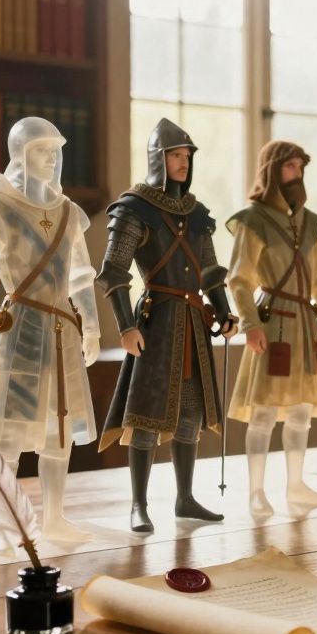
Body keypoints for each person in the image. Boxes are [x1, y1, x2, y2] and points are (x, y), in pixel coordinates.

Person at [0, 117, 100, 548]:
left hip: (64, 333)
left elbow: (80, 276)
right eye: (40, 149)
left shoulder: (69, 213)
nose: (50, 156)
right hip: (22, 332)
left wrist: (91, 327)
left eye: (55, 149)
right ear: (20, 153)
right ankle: (8, 523)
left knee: (59, 429)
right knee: (11, 432)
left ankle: (54, 518)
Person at [97, 118, 238, 533]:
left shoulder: (197, 214)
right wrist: (125, 326)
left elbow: (210, 272)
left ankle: (185, 498)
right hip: (156, 321)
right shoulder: (134, 209)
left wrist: (225, 311)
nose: (182, 162)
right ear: (159, 159)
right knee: (146, 415)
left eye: (187, 156)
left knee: (191, 411)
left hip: (194, 322)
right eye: (175, 155)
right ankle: (138, 505)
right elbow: (113, 273)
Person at [225, 140, 317, 517]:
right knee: (263, 414)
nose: (297, 175)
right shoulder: (253, 220)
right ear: (273, 170)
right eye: (290, 167)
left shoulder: (310, 223)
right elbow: (239, 279)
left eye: (300, 168)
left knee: (302, 411)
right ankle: (256, 492)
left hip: (304, 327)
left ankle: (296, 486)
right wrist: (250, 323)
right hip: (272, 325)